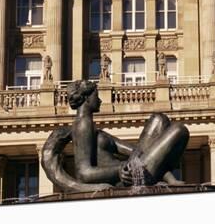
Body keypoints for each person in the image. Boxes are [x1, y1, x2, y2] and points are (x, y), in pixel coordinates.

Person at [42, 80, 189, 191]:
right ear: (86, 98)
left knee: (159, 119)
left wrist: (169, 178)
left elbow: (134, 151)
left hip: (134, 167)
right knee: (179, 130)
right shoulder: (82, 125)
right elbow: (83, 173)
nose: (99, 100)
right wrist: (119, 170)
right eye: (96, 96)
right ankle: (154, 177)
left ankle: (160, 176)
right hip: (128, 177)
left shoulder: (92, 128)